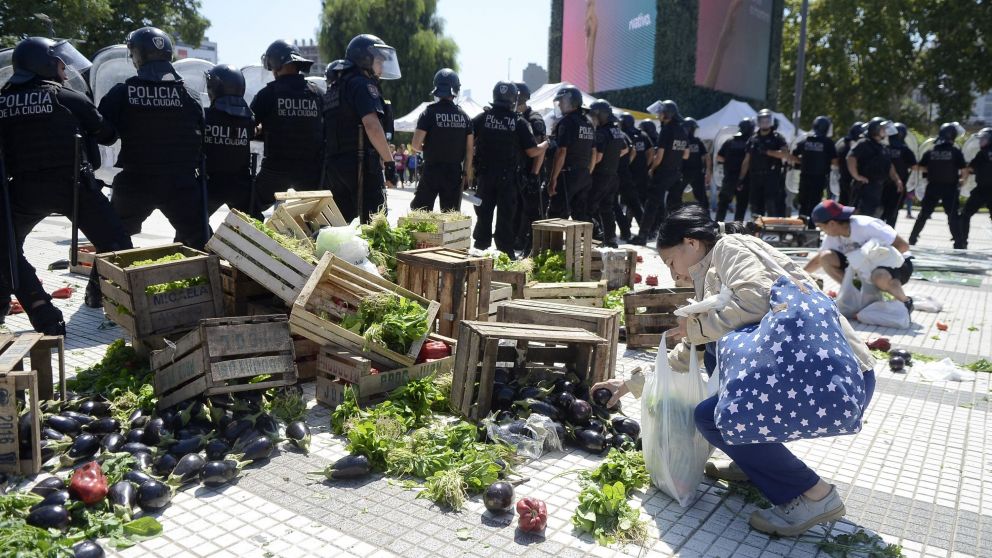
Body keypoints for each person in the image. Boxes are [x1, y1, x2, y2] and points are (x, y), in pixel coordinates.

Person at [592, 204, 876, 537]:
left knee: (712, 418)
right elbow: (693, 351)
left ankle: (815, 495)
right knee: (717, 361)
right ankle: (752, 458)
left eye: (671, 262)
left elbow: (753, 303)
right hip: (821, 376)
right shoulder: (714, 269)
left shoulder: (729, 249)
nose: (673, 274)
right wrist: (629, 382)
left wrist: (696, 329)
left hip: (834, 379)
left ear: (692, 243)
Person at [0, 36, 132, 333]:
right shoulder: (66, 97)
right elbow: (108, 135)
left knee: (6, 249)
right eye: (61, 63)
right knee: (117, 246)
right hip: (74, 187)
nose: (65, 69)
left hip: (22, 189)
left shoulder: (2, 102)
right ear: (45, 65)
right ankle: (122, 308)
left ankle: (40, 310)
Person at [98, 26, 207, 249]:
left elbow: (104, 136)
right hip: (182, 185)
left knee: (112, 242)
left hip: (136, 182)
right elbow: (201, 139)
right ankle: (214, 283)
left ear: (137, 55)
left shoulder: (121, 93)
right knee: (202, 242)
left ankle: (100, 285)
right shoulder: (191, 96)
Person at [323, 34, 400, 223]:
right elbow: (372, 126)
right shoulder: (362, 84)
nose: (382, 66)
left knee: (343, 223)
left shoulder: (336, 87)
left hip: (335, 167)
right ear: (365, 59)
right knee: (373, 223)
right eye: (379, 60)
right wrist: (389, 163)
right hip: (361, 165)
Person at [471, 81, 547, 256]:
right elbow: (532, 151)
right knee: (506, 217)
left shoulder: (483, 118)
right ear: (514, 99)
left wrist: (468, 168)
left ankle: (480, 248)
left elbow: (468, 140)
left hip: (485, 176)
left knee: (484, 213)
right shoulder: (518, 122)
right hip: (508, 179)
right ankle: (505, 252)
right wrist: (545, 144)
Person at [250, 39, 323, 211]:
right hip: (310, 171)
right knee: (314, 218)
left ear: (275, 63)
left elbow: (247, 128)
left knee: (249, 209)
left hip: (276, 170)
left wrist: (261, 130)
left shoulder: (267, 94)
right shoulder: (317, 93)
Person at [804, 200, 914, 312]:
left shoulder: (867, 225)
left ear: (832, 223)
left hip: (898, 264)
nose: (822, 231)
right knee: (826, 257)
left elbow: (903, 246)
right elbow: (819, 259)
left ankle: (905, 302)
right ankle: (856, 295)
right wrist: (797, 275)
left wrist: (871, 261)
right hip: (865, 270)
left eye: (821, 227)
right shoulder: (833, 235)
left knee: (879, 276)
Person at [410, 68, 472, 212]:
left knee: (420, 213)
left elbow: (415, 145)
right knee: (450, 217)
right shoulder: (465, 116)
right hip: (454, 172)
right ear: (455, 90)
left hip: (431, 170)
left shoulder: (428, 113)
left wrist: (430, 148)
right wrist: (466, 174)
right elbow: (469, 150)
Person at [203, 64, 256, 218]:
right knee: (254, 228)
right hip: (241, 186)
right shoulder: (249, 119)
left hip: (210, 185)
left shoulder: (206, 117)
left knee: (190, 229)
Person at [632, 99, 687, 245]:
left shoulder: (667, 129)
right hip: (676, 173)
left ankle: (642, 236)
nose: (659, 116)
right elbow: (686, 154)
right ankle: (677, 237)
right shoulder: (682, 129)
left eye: (661, 113)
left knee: (651, 205)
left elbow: (660, 155)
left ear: (667, 114)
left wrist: (652, 168)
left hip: (663, 173)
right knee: (675, 207)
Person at [909, 122, 967, 248]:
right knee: (953, 216)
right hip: (950, 188)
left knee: (923, 214)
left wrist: (932, 170)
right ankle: (959, 243)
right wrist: (962, 180)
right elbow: (964, 169)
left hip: (933, 187)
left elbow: (920, 167)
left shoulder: (931, 151)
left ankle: (912, 238)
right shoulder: (955, 152)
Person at [547, 85, 594, 221]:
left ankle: (554, 243)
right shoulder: (588, 124)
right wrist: (587, 172)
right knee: (581, 216)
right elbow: (593, 152)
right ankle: (586, 242)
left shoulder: (567, 123)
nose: (560, 105)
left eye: (561, 101)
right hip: (584, 175)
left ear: (570, 101)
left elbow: (561, 152)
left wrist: (553, 179)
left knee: (556, 216)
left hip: (567, 176)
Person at [512, 82, 547, 255]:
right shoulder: (514, 117)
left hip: (532, 172)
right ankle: (518, 240)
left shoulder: (534, 119)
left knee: (531, 211)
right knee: (517, 208)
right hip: (519, 172)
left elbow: (541, 147)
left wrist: (534, 174)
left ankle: (531, 248)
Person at [587, 99, 627, 247]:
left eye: (594, 115)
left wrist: (588, 166)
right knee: (607, 208)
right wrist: (613, 158)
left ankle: (596, 239)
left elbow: (598, 157)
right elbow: (625, 149)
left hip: (600, 176)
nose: (593, 119)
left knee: (589, 208)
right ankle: (610, 239)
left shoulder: (601, 133)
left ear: (600, 115)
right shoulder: (617, 131)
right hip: (612, 175)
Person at [847, 117, 903, 218]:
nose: (885, 131)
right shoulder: (863, 143)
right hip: (864, 187)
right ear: (875, 129)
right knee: (859, 216)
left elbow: (889, 165)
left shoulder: (882, 147)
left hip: (877, 187)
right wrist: (857, 176)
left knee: (872, 215)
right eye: (883, 128)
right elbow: (851, 158)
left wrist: (896, 179)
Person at [739, 109, 788, 217]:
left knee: (772, 206)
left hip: (772, 177)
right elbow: (746, 160)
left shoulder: (777, 138)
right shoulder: (753, 139)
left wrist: (767, 152)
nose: (765, 123)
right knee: (755, 209)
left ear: (771, 121)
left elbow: (785, 154)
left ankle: (774, 232)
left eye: (767, 120)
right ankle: (757, 232)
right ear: (758, 121)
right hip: (755, 178)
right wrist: (741, 178)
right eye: (762, 120)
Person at [792, 116, 838, 227]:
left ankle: (801, 225)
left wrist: (804, 161)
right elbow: (835, 161)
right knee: (814, 203)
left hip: (804, 176)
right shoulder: (828, 142)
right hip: (819, 177)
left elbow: (793, 156)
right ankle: (811, 227)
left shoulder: (805, 140)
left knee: (803, 203)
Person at [616, 113, 650, 241]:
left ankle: (627, 230)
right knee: (633, 202)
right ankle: (644, 230)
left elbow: (633, 150)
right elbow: (636, 150)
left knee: (616, 203)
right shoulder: (640, 134)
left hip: (623, 172)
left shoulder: (622, 133)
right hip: (633, 173)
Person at [715, 117, 754, 222]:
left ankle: (717, 227)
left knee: (723, 205)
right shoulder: (751, 143)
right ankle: (737, 230)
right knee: (741, 206)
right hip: (745, 179)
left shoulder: (729, 141)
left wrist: (729, 161)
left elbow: (719, 157)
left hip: (729, 178)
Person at [959, 127, 992, 249]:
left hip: (982, 190)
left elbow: (970, 168)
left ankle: (963, 243)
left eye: (983, 139)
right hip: (985, 190)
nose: (980, 141)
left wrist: (962, 179)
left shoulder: (982, 153)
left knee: (965, 214)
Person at [881, 122, 918, 227]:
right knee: (893, 210)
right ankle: (889, 233)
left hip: (882, 183)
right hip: (899, 185)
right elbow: (914, 166)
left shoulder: (883, 147)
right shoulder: (904, 149)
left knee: (881, 208)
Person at [681, 117, 711, 208]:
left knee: (675, 195)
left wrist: (708, 172)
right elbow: (707, 157)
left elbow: (707, 156)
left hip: (685, 173)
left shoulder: (682, 141)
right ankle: (706, 216)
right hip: (693, 173)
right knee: (701, 197)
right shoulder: (697, 141)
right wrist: (708, 171)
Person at [836, 122, 864, 206]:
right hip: (852, 179)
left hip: (842, 177)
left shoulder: (841, 142)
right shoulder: (856, 145)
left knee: (842, 202)